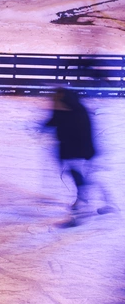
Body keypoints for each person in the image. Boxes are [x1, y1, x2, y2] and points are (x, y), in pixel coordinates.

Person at [44, 88, 115, 227]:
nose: (53, 104)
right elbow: (55, 120)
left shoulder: (77, 113)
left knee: (82, 182)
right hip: (73, 153)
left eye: (55, 101)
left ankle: (81, 214)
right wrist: (42, 126)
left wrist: (75, 154)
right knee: (88, 179)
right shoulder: (64, 109)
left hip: (80, 153)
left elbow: (81, 136)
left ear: (63, 100)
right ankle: (108, 203)